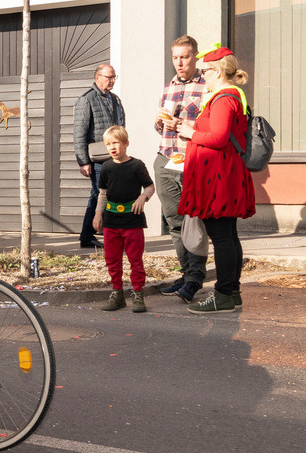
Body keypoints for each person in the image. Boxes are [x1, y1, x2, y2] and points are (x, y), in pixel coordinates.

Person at [177, 45, 255, 314]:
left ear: (218, 72)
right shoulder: (229, 96)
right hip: (223, 174)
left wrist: (190, 133)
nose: (203, 76)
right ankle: (232, 293)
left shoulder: (224, 98)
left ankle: (222, 295)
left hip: (219, 177)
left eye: (205, 72)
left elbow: (219, 138)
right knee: (228, 235)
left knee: (221, 236)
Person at [153, 35, 208, 303]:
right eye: (175, 57)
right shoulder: (168, 87)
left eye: (184, 57)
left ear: (194, 56)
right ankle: (186, 275)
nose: (179, 62)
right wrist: (160, 123)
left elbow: (211, 128)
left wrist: (182, 126)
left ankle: (196, 279)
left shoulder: (207, 87)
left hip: (191, 162)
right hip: (165, 159)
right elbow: (160, 123)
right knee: (174, 223)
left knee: (193, 222)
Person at [92, 126, 155, 313]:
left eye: (116, 143)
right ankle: (117, 293)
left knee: (135, 259)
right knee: (112, 259)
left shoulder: (137, 165)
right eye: (108, 144)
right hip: (111, 221)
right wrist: (98, 214)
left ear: (126, 144)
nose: (112, 147)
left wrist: (143, 198)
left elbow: (150, 187)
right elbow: (102, 193)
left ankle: (137, 293)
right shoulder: (106, 167)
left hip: (132, 221)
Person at [74, 64, 124, 249]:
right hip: (97, 159)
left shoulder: (115, 99)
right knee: (98, 195)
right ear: (97, 78)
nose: (112, 80)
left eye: (114, 77)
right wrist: (83, 161)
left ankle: (103, 233)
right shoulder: (87, 100)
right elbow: (79, 133)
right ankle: (87, 236)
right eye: (109, 77)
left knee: (111, 195)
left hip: (114, 156)